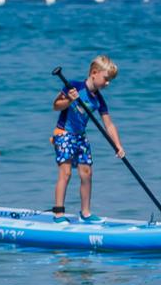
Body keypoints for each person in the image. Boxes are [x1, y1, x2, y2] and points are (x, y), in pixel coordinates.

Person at [51, 55, 126, 223]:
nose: (108, 84)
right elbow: (56, 105)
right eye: (106, 79)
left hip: (80, 136)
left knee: (87, 173)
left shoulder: (98, 99)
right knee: (66, 172)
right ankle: (59, 214)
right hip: (64, 134)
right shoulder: (74, 86)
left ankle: (85, 213)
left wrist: (118, 145)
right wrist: (70, 99)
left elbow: (109, 124)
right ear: (94, 73)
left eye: (110, 80)